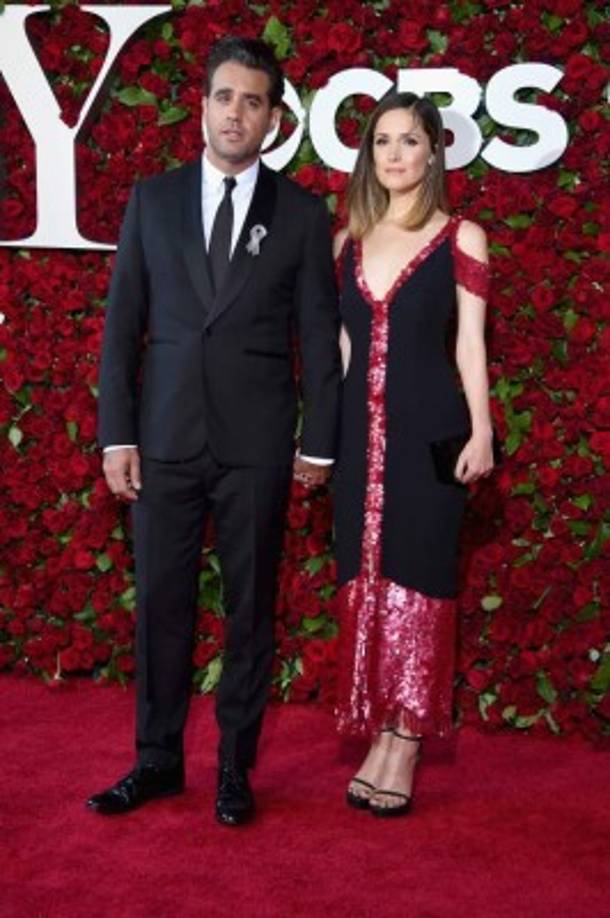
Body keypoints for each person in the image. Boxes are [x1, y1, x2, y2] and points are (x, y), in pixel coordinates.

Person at [88, 36, 340, 826]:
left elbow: (319, 336)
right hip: (161, 442)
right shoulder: (150, 201)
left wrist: (318, 442)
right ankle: (157, 760)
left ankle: (236, 768)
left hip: (256, 448)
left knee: (250, 612)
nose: (237, 113)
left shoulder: (300, 215)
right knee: (161, 605)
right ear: (202, 105)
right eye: (225, 96)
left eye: (254, 101)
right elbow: (123, 327)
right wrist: (116, 435)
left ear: (273, 118)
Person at [332, 91, 493, 817]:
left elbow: (469, 344)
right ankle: (377, 730)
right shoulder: (346, 241)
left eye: (409, 141)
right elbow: (341, 350)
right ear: (370, 155)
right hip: (356, 443)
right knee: (366, 580)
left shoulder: (464, 236)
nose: (394, 154)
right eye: (383, 142)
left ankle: (408, 738)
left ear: (434, 152)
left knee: (420, 583)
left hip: (432, 433)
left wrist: (483, 432)